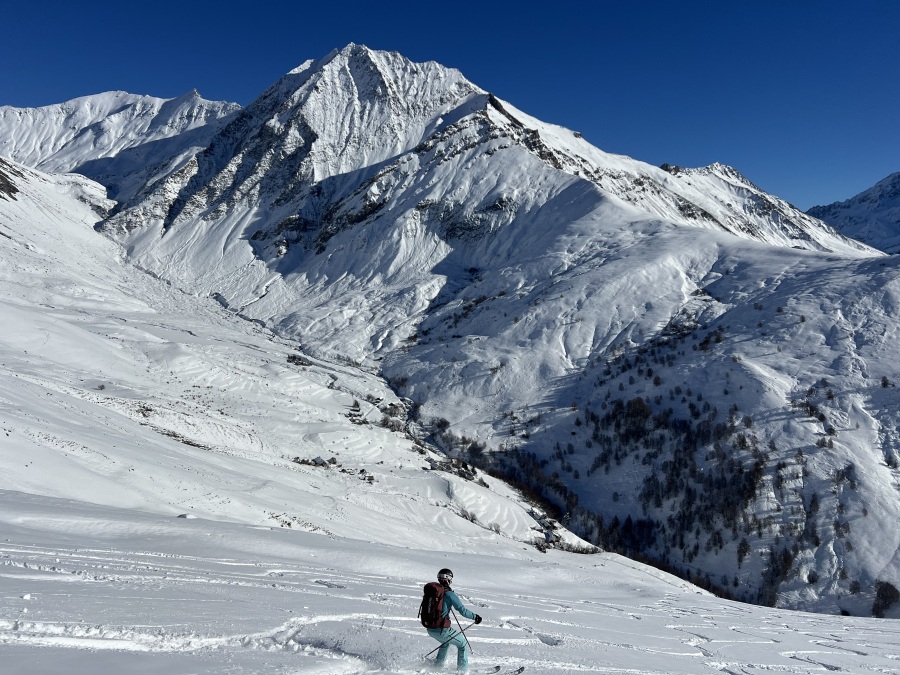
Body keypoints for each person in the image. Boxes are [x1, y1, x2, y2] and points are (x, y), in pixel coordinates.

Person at [427, 568, 482, 673]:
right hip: (442, 630)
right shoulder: (450, 594)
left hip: (430, 628)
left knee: (445, 643)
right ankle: (463, 671)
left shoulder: (434, 591)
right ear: (448, 579)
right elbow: (463, 611)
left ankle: (437, 667)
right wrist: (476, 617)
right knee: (462, 644)